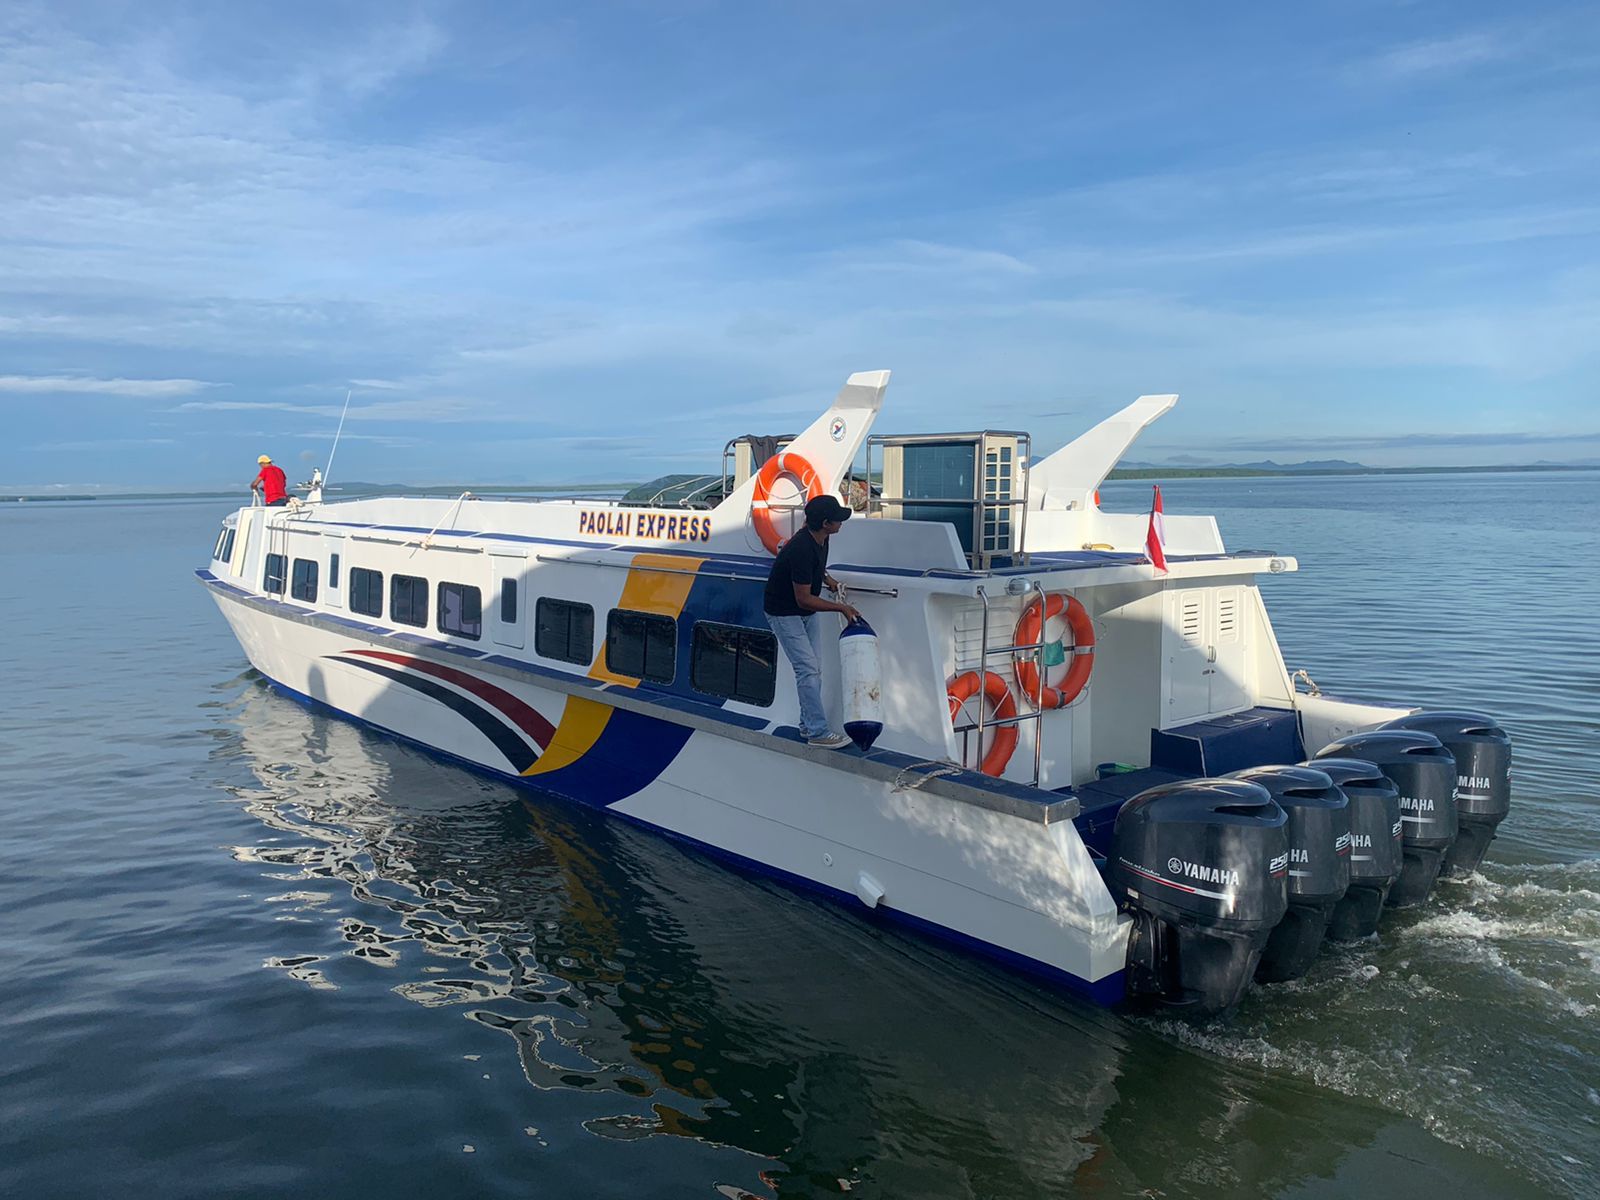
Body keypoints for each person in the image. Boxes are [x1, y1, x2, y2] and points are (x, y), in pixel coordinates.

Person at [763, 494, 863, 748]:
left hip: (802, 612)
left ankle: (808, 724)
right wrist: (841, 607)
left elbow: (816, 569)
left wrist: (827, 580)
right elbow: (804, 599)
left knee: (814, 668)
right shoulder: (800, 548)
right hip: (784, 612)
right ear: (826, 523)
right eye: (838, 519)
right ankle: (818, 732)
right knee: (807, 669)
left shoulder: (821, 538)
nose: (842, 522)